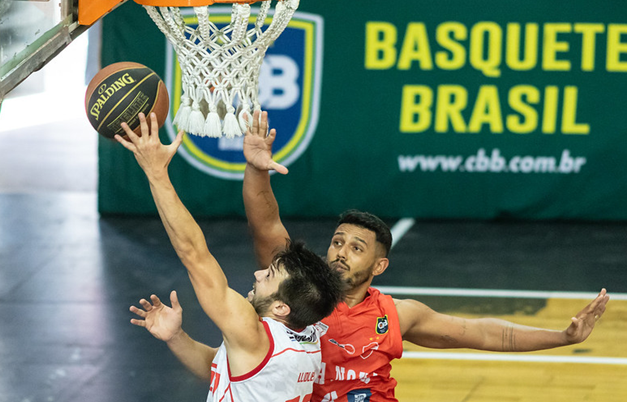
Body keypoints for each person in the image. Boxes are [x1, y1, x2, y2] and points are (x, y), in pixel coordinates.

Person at [127, 111, 610, 402]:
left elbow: (483, 332)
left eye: (356, 248)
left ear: (378, 266)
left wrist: (561, 337)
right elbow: (265, 227)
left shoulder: (360, 312)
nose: (339, 251)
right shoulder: (303, 304)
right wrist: (257, 174)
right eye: (337, 240)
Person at [116, 113, 345, 402]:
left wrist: (156, 172)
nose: (258, 274)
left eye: (269, 277)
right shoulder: (308, 334)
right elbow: (220, 370)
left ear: (282, 308)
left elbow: (194, 254)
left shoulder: (253, 332)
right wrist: (176, 337)